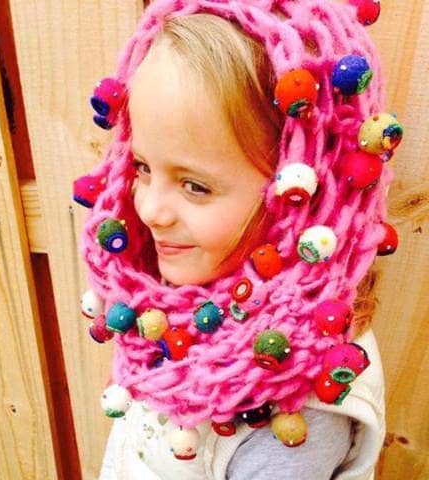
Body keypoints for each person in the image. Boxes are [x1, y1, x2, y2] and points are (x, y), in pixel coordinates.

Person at [75, 1, 401, 478]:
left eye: (195, 185)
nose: (148, 210)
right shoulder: (176, 303)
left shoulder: (294, 416)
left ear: (302, 197)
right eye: (142, 168)